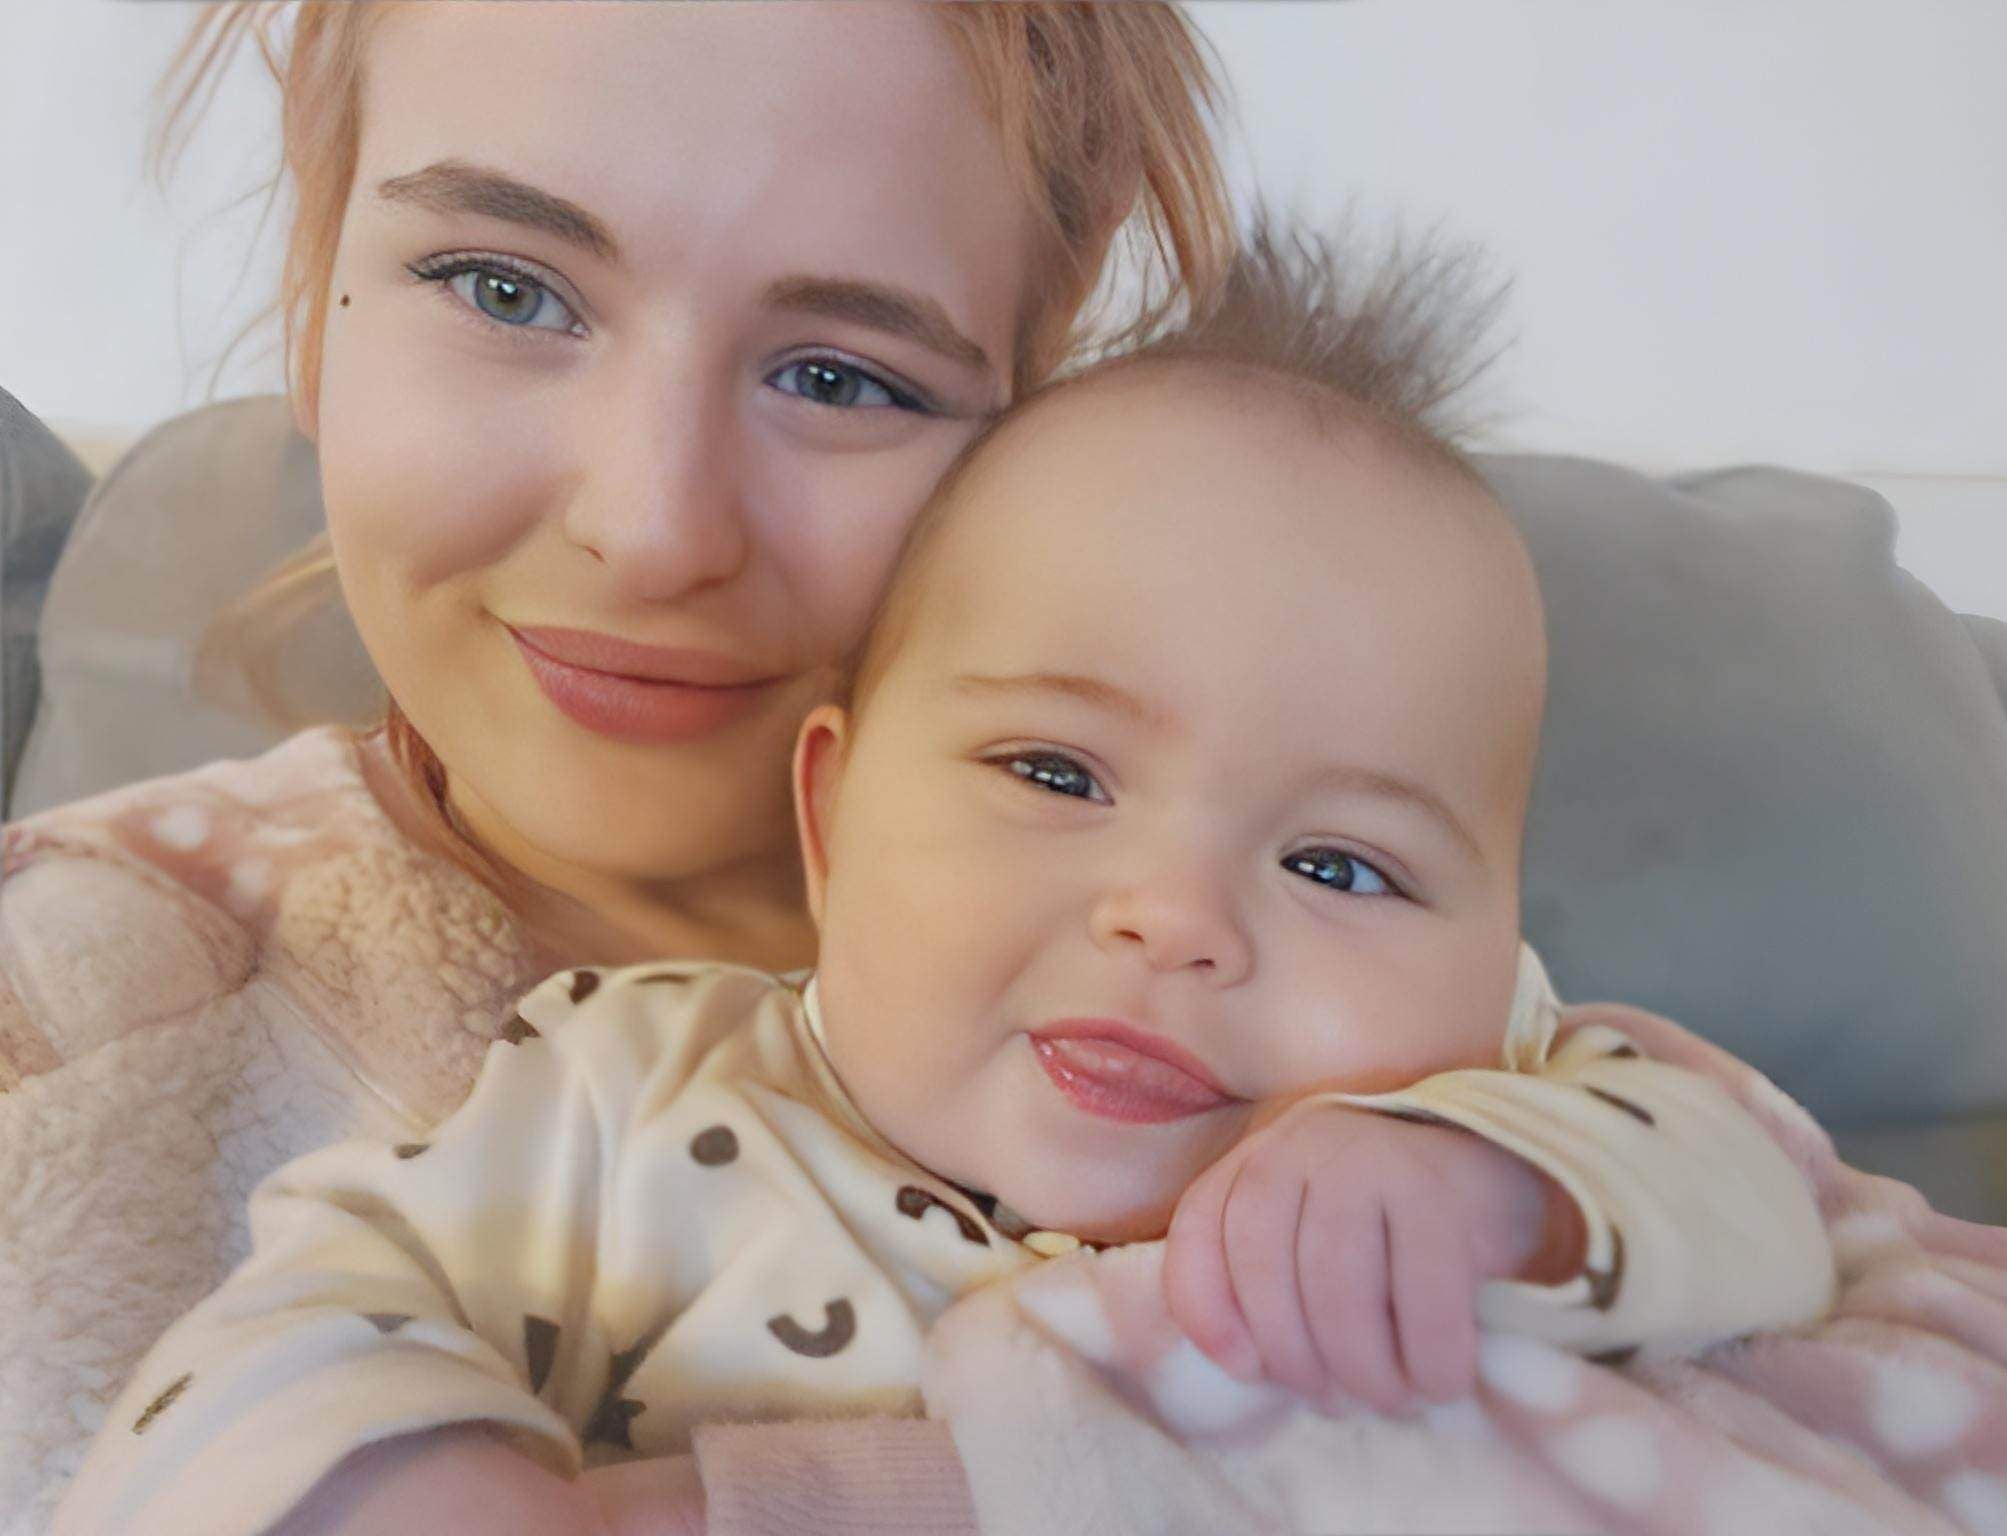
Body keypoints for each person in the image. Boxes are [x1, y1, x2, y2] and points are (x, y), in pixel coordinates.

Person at [52, 233, 1833, 1536]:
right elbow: (312, 1296)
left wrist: (1493, 1196)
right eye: (1056, 775)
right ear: (831, 815)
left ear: (1497, 947)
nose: (1179, 920)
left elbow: (1772, 1224)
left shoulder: (1515, 1097)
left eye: (1344, 865)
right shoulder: (628, 1095)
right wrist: (415, 1479)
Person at [0, 4, 1233, 1530]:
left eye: (844, 379)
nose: (654, 530)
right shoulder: (66, 1016)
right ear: (314, 304)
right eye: (505, 288)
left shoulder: (1260, 967)